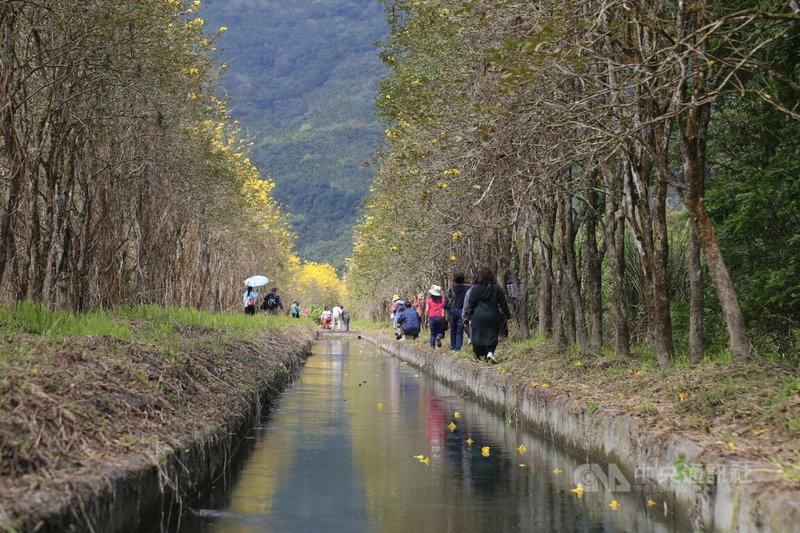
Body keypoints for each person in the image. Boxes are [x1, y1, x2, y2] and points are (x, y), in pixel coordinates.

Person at [464, 268, 511, 364]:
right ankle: (490, 352)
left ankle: (481, 356)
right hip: (493, 315)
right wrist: (508, 316)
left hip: (477, 317)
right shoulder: (496, 287)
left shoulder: (474, 288)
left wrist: (467, 317)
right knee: (492, 335)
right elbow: (503, 303)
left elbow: (470, 304)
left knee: (477, 336)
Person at [446, 272, 471, 351]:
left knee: (452, 329)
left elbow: (446, 300)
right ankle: (458, 348)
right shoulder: (466, 288)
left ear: (454, 279)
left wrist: (445, 309)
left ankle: (452, 347)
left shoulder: (450, 288)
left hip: (452, 310)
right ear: (463, 280)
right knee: (460, 330)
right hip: (462, 310)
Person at [424, 284, 447, 349]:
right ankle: (439, 337)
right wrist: (443, 318)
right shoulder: (443, 300)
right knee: (441, 331)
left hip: (431, 317)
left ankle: (432, 347)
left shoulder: (429, 300)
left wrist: (426, 319)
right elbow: (443, 312)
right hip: (439, 317)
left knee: (433, 333)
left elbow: (426, 310)